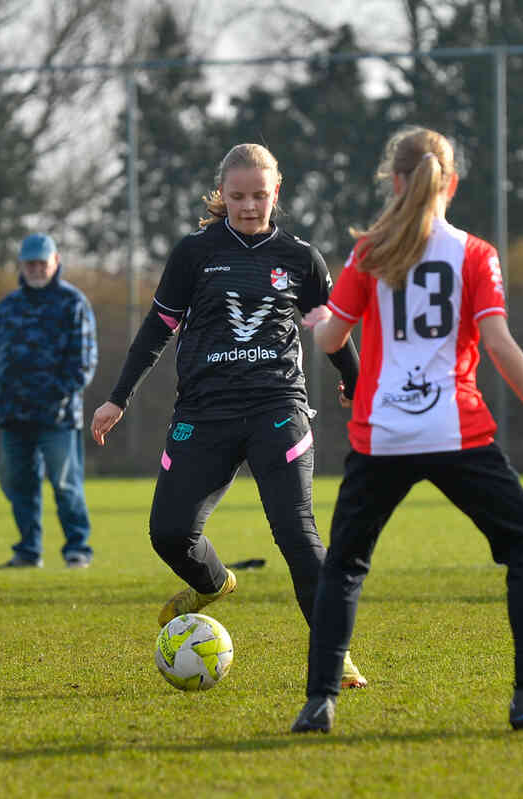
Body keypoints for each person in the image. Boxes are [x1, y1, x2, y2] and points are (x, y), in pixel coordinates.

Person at [291, 127, 523, 733]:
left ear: (396, 181)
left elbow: (330, 339)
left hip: (381, 436)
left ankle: (320, 701)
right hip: (457, 432)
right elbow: (499, 344)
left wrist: (320, 319)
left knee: (345, 565)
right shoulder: (475, 254)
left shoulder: (367, 252)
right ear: (450, 183)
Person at [90, 143, 368, 689]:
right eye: (238, 196)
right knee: (169, 533)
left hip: (278, 408)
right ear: (223, 193)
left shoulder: (300, 258)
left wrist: (355, 384)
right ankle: (214, 583)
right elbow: (157, 330)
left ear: (276, 192)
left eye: (259, 195)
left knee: (298, 534)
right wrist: (117, 397)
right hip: (204, 413)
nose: (248, 206)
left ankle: (336, 655)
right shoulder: (195, 254)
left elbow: (330, 331)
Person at [0, 233, 98, 569]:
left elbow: (84, 361)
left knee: (65, 484)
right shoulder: (8, 306)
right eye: (29, 263)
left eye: (41, 263)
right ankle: (28, 551)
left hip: (57, 418)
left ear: (55, 262)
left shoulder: (73, 303)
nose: (35, 269)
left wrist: (56, 396)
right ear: (21, 265)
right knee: (17, 483)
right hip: (13, 415)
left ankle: (78, 549)